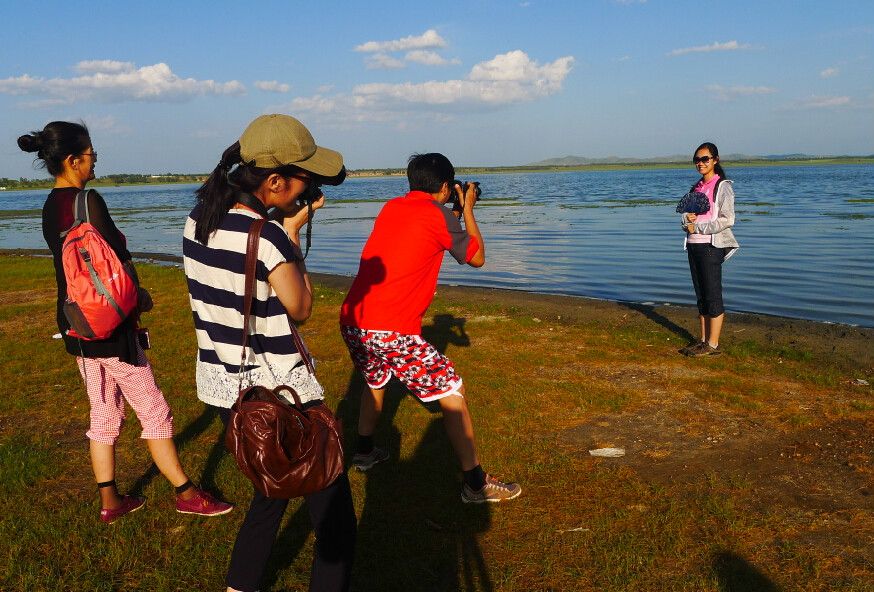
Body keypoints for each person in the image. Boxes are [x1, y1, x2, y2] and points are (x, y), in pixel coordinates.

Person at [19, 121, 233, 523]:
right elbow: (116, 262)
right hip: (112, 326)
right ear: (73, 159)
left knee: (102, 412)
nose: (95, 160)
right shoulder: (88, 202)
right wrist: (141, 298)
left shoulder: (50, 205)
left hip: (75, 322)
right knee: (154, 410)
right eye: (91, 153)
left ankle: (110, 500)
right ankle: (186, 493)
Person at [183, 114, 357, 592]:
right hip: (283, 391)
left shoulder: (198, 220)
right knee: (336, 522)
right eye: (307, 178)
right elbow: (300, 307)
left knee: (270, 494)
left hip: (230, 390)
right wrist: (293, 235)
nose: (311, 188)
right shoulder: (269, 237)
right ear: (276, 181)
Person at [340, 153, 522, 504]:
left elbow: (431, 228)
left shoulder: (392, 208)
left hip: (353, 320)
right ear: (444, 187)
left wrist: (453, 209)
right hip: (392, 328)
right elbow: (476, 257)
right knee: (452, 391)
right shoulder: (439, 214)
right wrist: (468, 209)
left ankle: (363, 452)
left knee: (376, 381)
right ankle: (475, 483)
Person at [679, 141, 740, 357]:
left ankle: (713, 345)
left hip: (711, 246)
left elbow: (728, 219)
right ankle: (703, 341)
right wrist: (687, 220)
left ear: (715, 160)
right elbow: (686, 219)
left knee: (712, 295)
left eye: (705, 159)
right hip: (693, 245)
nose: (700, 163)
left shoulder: (722, 186)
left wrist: (701, 226)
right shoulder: (696, 187)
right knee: (701, 295)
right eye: (697, 159)